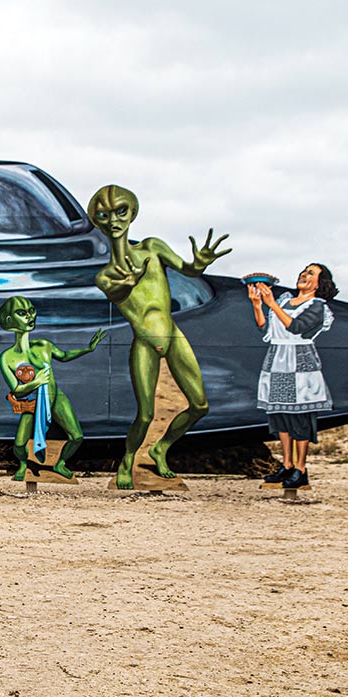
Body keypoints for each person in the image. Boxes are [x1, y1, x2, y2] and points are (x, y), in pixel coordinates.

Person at [86, 185, 230, 488]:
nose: (114, 220)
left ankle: (161, 448)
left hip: (173, 336)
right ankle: (127, 460)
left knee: (200, 406)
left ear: (132, 213)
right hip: (145, 344)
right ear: (97, 221)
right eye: (104, 215)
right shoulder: (105, 275)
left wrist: (199, 263)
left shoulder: (153, 247)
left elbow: (187, 268)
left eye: (120, 212)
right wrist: (127, 283)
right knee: (145, 415)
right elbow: (118, 290)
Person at [248, 264, 338, 490]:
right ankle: (287, 464)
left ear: (320, 283)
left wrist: (272, 305)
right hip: (277, 359)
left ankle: (301, 468)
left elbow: (296, 327)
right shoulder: (285, 301)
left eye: (311, 273)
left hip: (299, 361)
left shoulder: (317, 306)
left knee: (299, 416)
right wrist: (258, 305)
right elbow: (266, 328)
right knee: (281, 415)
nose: (304, 275)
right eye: (304, 271)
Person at [0, 295, 104, 480]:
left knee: (76, 436)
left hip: (55, 397)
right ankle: (23, 464)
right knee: (19, 445)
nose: (30, 317)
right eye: (22, 313)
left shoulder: (44, 345)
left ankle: (60, 463)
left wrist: (88, 349)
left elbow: (63, 355)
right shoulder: (7, 358)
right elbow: (16, 390)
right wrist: (36, 382)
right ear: (9, 320)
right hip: (32, 402)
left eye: (31, 311)